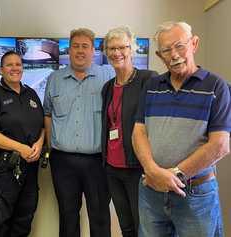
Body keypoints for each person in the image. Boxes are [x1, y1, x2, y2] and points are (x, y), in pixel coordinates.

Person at [132, 21, 231, 237]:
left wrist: (176, 175)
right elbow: (139, 132)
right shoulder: (151, 86)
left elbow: (220, 145)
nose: (174, 55)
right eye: (166, 50)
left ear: (194, 44)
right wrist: (152, 171)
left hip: (196, 195)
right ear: (159, 56)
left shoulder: (216, 86)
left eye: (179, 46)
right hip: (151, 191)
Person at [44, 28, 114, 237]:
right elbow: (48, 114)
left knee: (100, 217)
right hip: (62, 162)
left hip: (98, 162)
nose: (80, 51)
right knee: (67, 216)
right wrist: (50, 148)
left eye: (85, 46)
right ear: (69, 50)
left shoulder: (108, 76)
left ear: (94, 51)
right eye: (76, 46)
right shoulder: (54, 79)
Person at [0, 51, 44, 237]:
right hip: (3, 171)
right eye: (9, 65)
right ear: (1, 69)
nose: (15, 68)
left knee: (24, 221)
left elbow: (42, 126)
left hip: (29, 170)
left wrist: (40, 142)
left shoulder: (31, 94)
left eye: (18, 64)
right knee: (0, 224)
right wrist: (20, 148)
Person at [101, 26, 158, 237]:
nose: (117, 53)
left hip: (137, 168)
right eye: (112, 48)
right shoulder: (107, 87)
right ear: (106, 53)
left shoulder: (148, 79)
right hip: (113, 169)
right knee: (126, 227)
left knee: (143, 227)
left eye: (122, 47)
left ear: (132, 49)